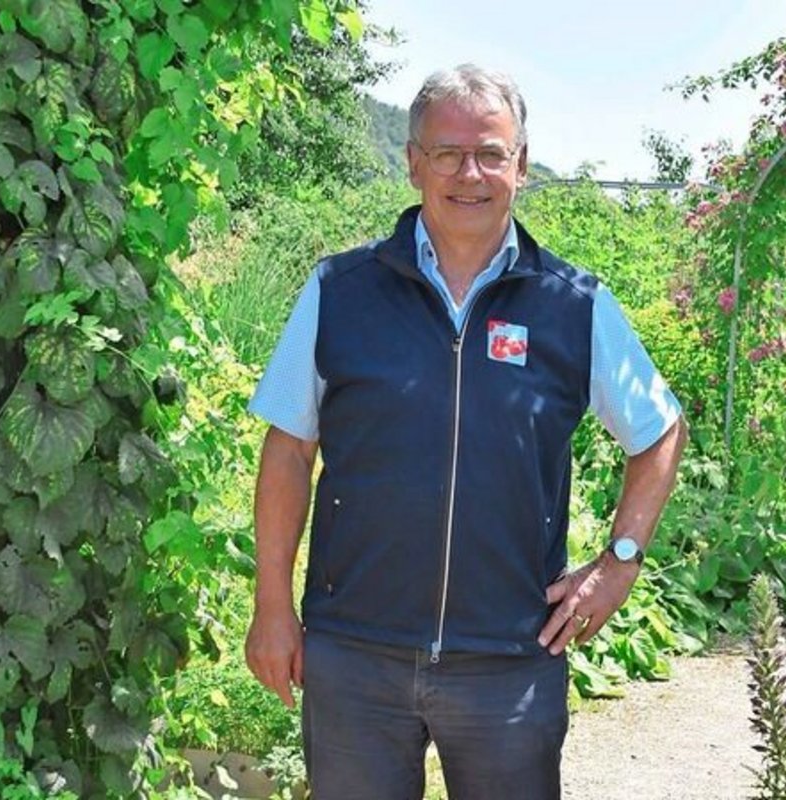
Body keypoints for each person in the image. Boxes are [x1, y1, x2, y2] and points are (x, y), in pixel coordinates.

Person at [244, 63, 687, 800]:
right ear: (413, 162)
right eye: (447, 153)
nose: (469, 174)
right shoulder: (339, 292)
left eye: (489, 153)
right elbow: (288, 451)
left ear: (521, 163)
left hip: (509, 662)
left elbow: (660, 431)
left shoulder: (573, 305)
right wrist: (271, 606)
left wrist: (619, 562)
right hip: (356, 656)